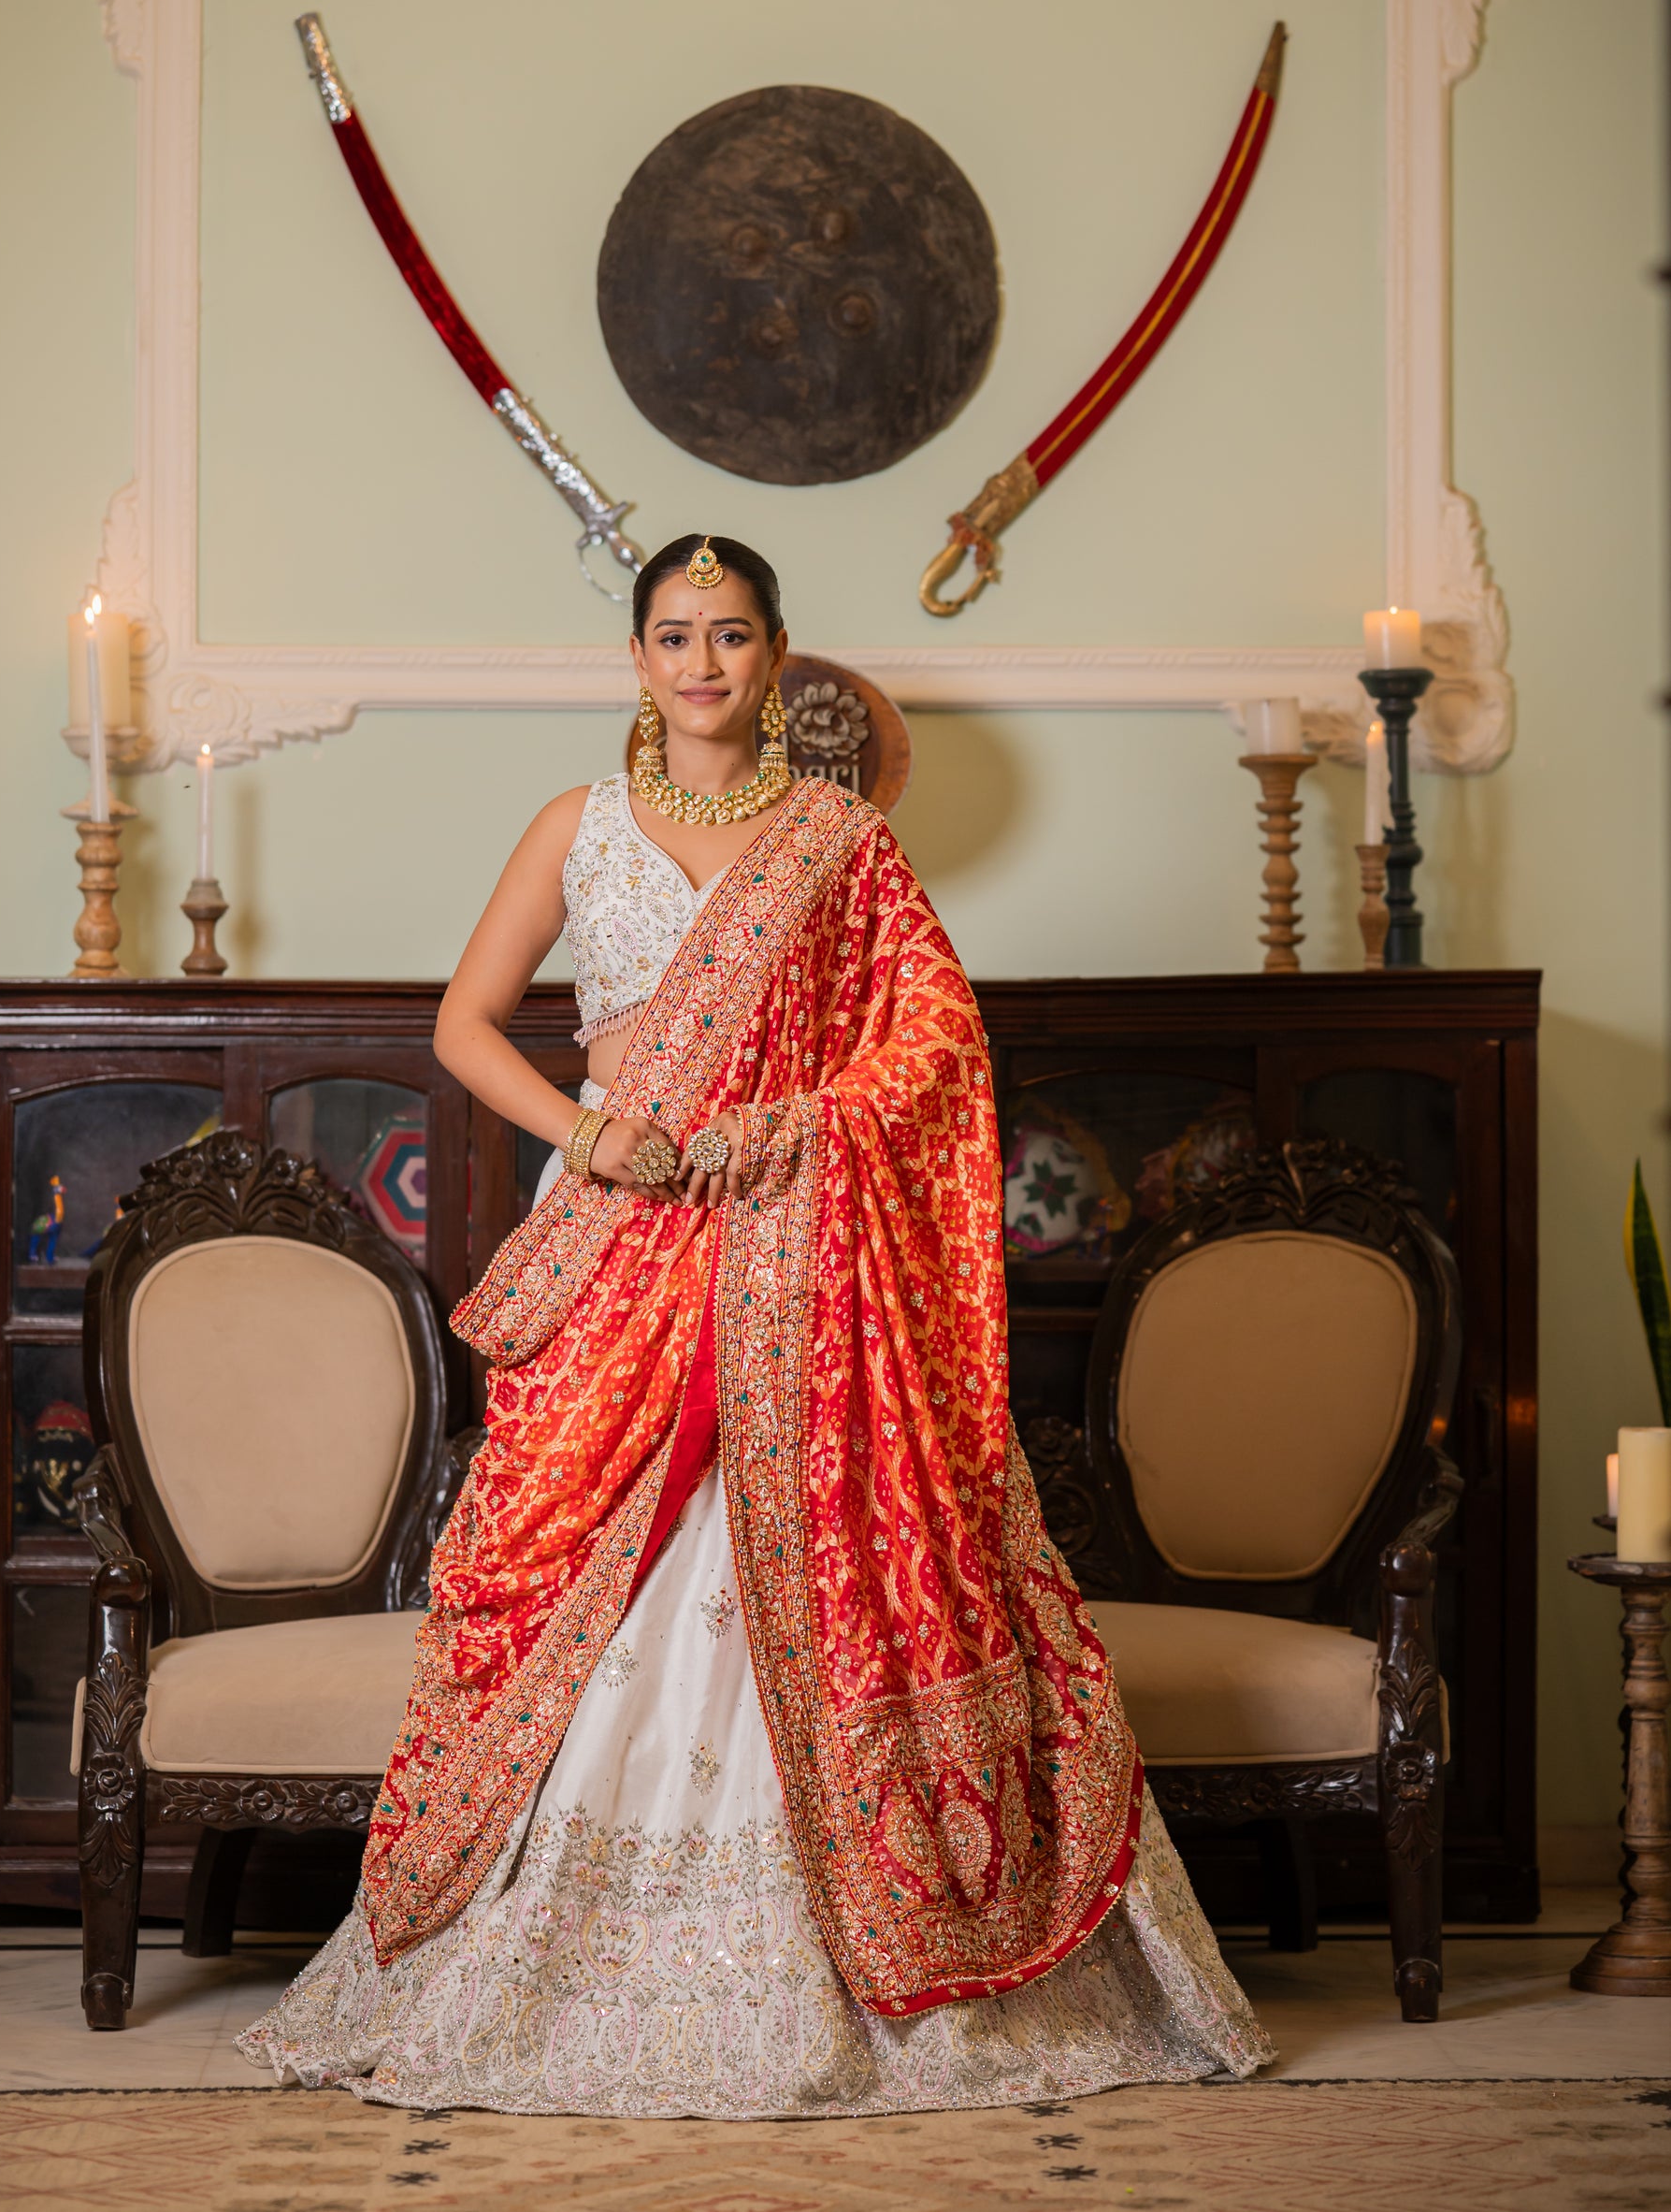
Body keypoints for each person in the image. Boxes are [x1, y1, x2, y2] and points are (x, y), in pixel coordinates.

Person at [239, 533, 1272, 2118]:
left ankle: (853, 1956)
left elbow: (932, 1041)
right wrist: (584, 1134)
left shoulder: (837, 838)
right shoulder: (574, 825)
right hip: (620, 1236)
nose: (702, 662)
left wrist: (807, 1116)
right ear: (636, 656)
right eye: (673, 634)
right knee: (574, 1552)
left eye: (730, 634)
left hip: (805, 1258)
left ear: (775, 653)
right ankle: (535, 1955)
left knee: (833, 1534)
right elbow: (462, 1022)